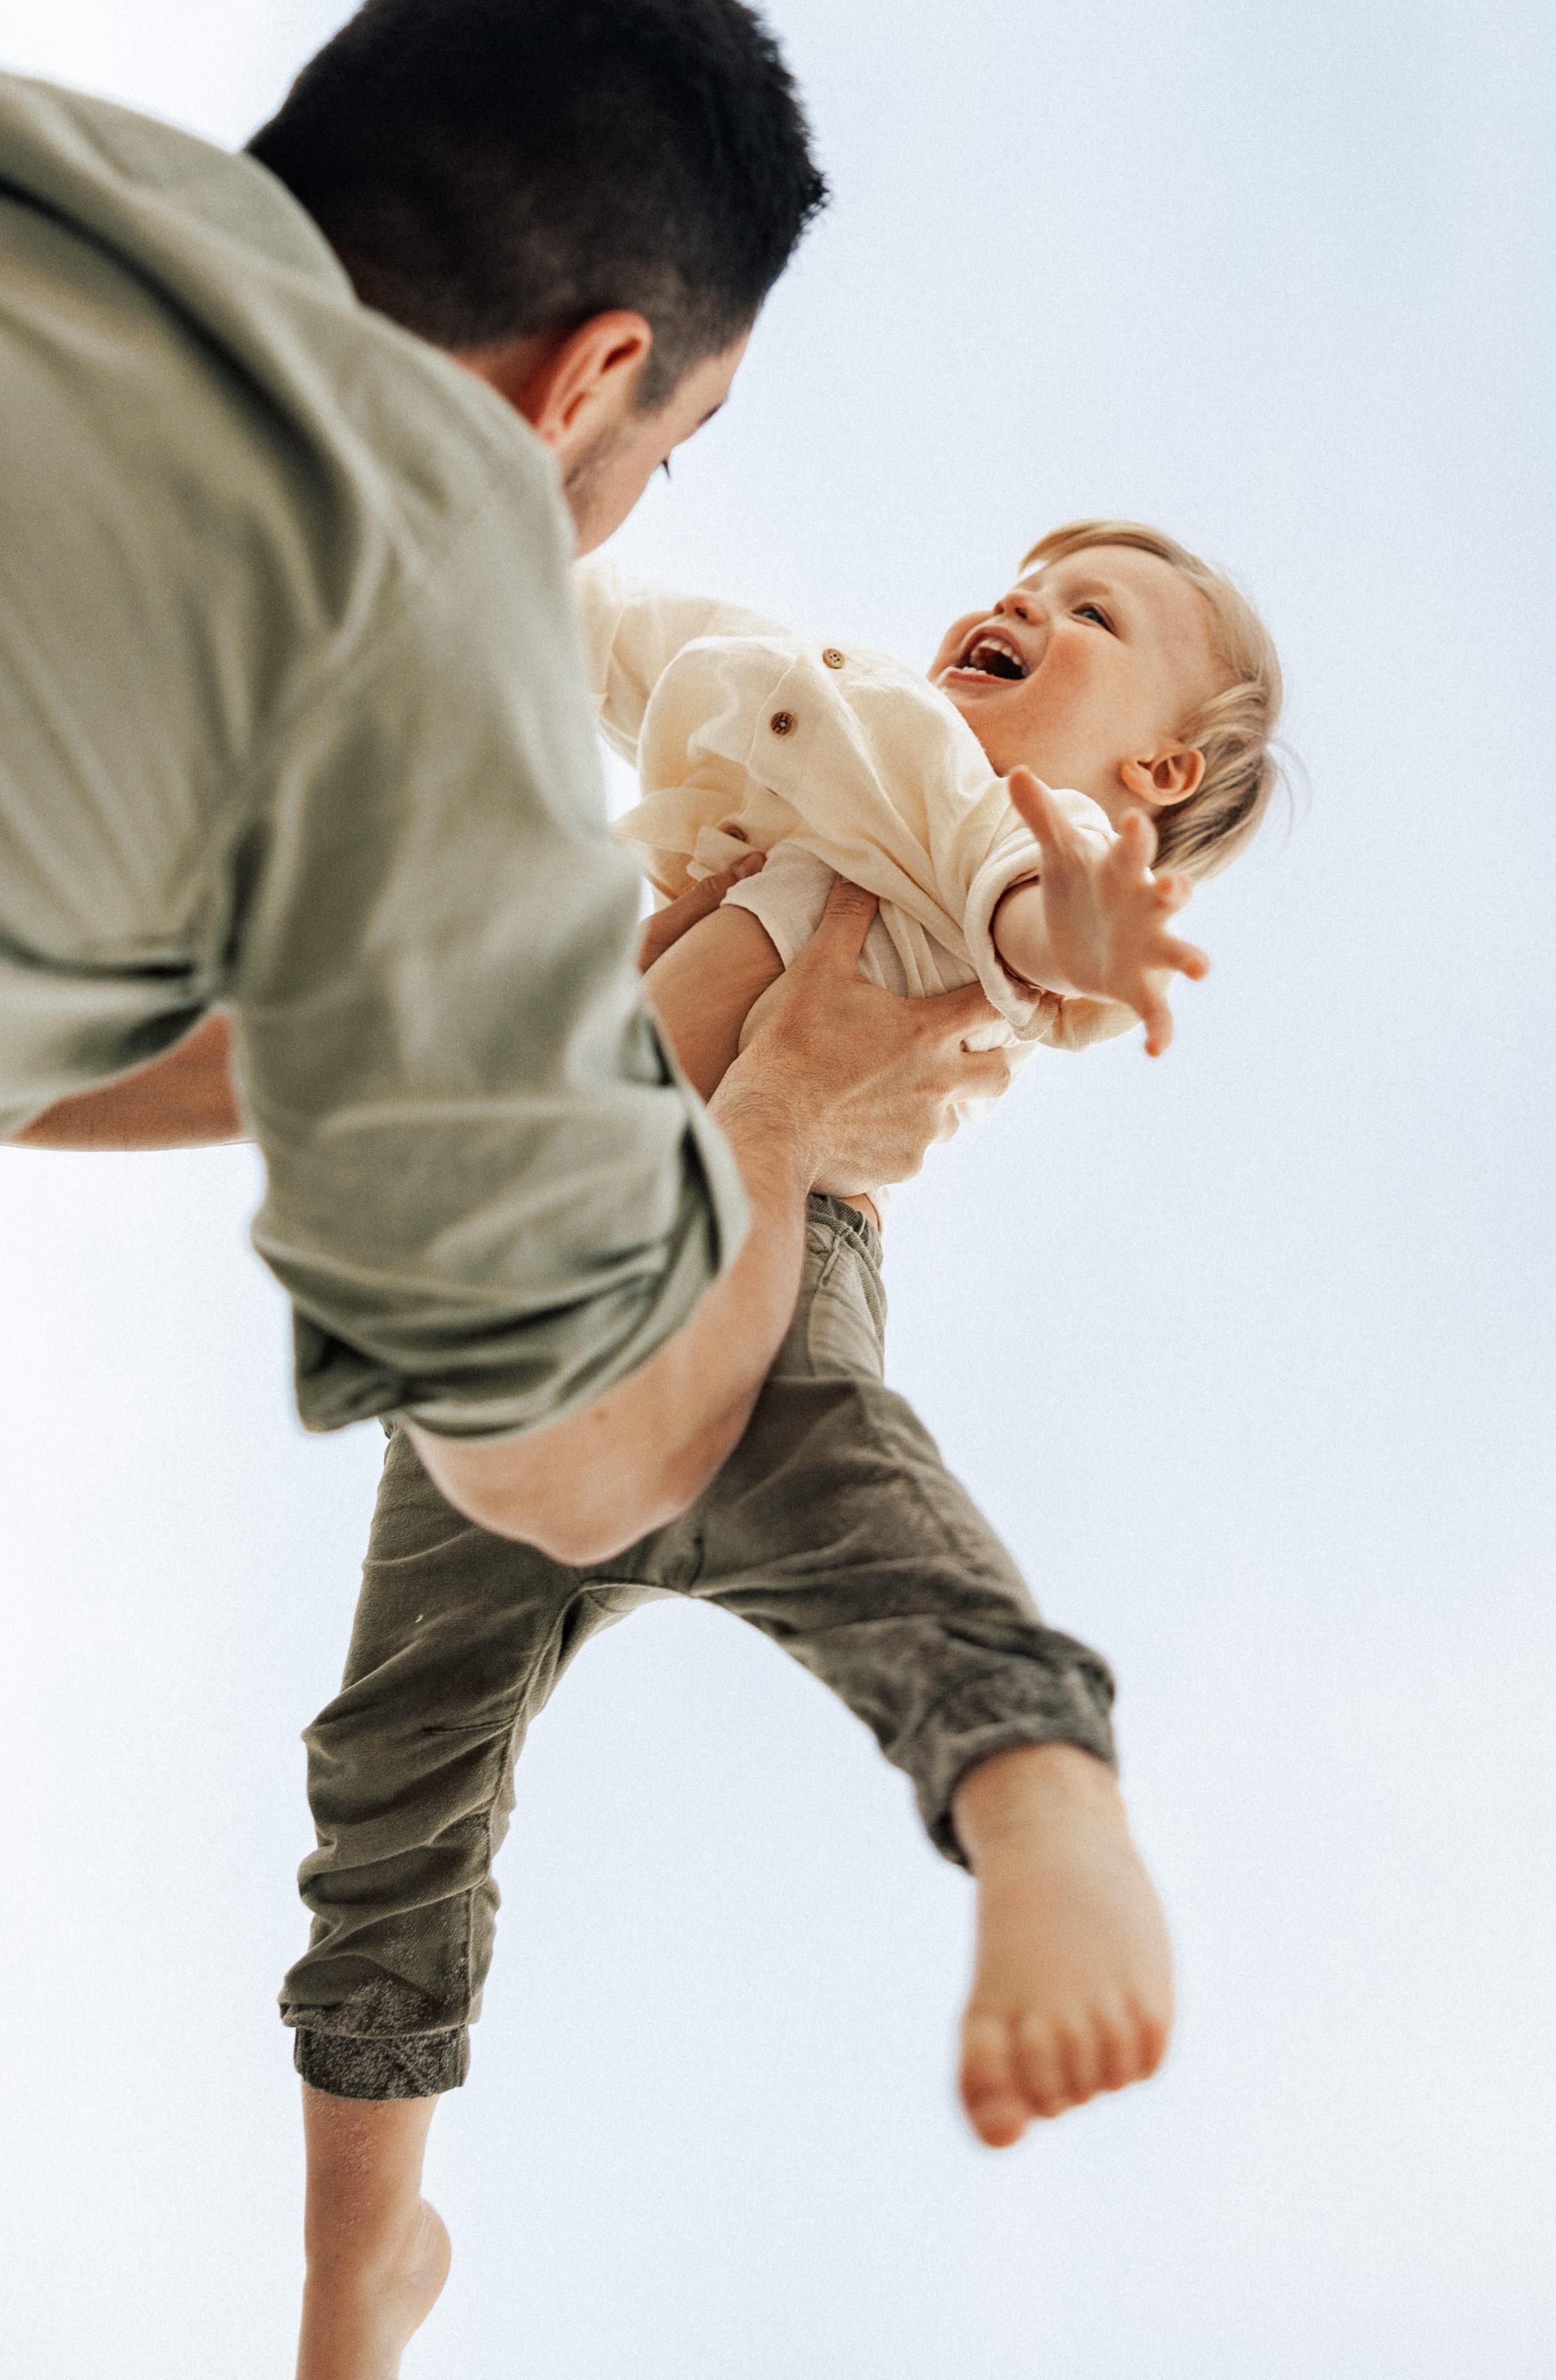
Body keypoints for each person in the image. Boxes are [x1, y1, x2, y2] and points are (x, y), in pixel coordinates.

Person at [281, 521, 1283, 2375]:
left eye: (1093, 615)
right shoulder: (812, 699)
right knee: (391, 1752)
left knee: (832, 1474)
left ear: (1152, 771)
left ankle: (1036, 1786)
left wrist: (1095, 919)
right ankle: (361, 2263)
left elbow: (1028, 910)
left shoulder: (971, 818)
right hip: (529, 1278)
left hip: (764, 1232)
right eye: (1026, 573)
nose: (1023, 605)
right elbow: (602, 625)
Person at [0, 0, 1007, 1562]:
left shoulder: (34, 162)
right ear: (586, 378)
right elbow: (576, 1466)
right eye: (661, 456)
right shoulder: (429, 588)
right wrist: (789, 1101)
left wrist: (388, 1028)